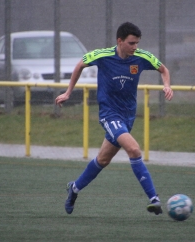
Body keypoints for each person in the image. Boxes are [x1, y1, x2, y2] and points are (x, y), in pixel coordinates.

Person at [55, 22, 173, 215]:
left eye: (137, 43)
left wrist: (167, 85)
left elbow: (164, 70)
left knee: (103, 160)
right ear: (120, 41)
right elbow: (80, 65)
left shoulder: (142, 57)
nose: (135, 47)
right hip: (109, 114)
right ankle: (154, 199)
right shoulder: (103, 56)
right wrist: (68, 92)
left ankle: (74, 188)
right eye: (131, 43)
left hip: (128, 116)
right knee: (134, 149)